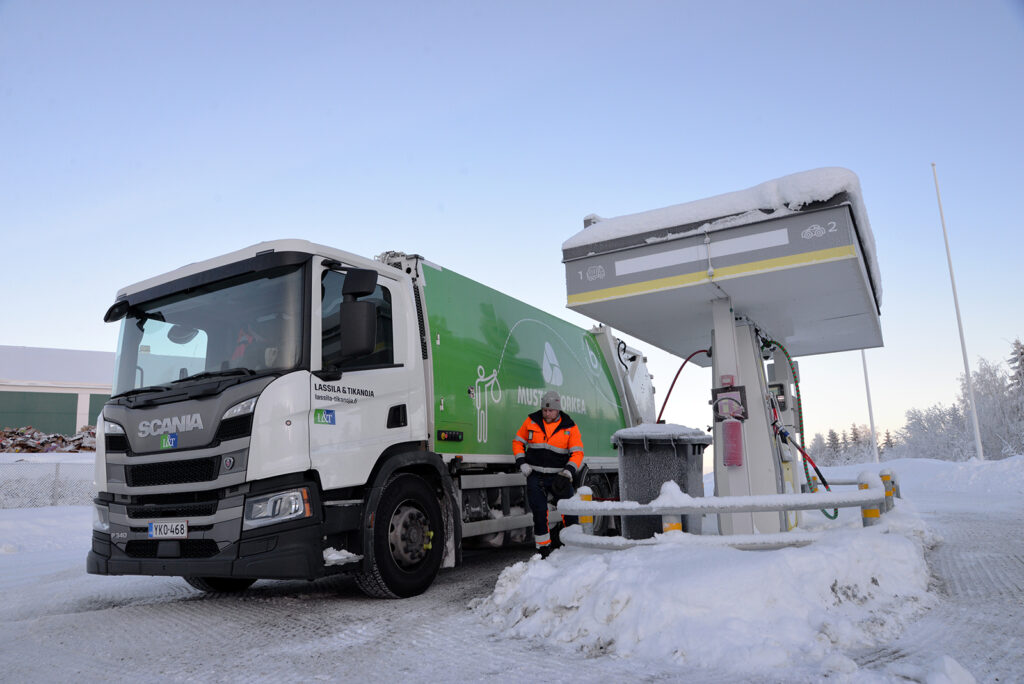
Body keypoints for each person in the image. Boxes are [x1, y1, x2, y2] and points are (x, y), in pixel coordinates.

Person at [513, 390, 584, 557]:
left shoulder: (570, 426)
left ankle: (573, 546)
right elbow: (517, 442)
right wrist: (522, 464)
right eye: (544, 410)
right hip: (535, 475)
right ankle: (543, 550)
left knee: (569, 511)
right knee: (539, 512)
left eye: (550, 410)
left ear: (557, 409)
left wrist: (568, 472)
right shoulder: (531, 421)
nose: (546, 413)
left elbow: (577, 453)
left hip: (559, 477)